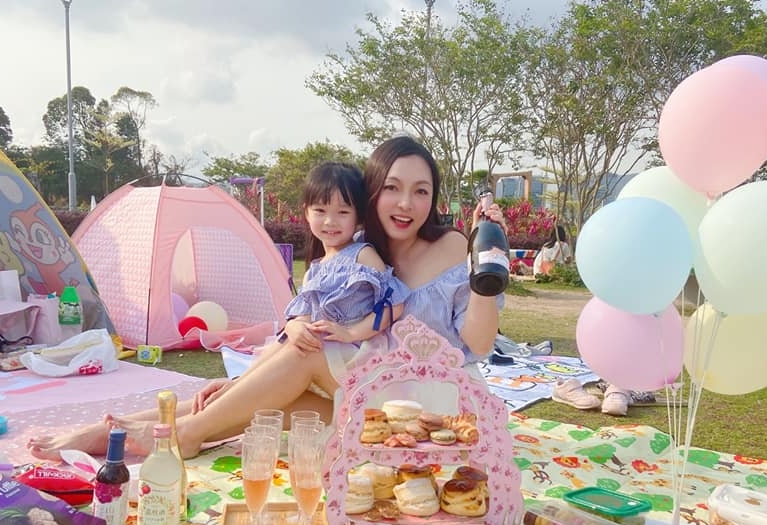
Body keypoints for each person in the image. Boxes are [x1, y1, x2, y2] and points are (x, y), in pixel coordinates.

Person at [28, 136, 501, 460]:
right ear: (372, 194)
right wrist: (247, 375)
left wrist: (486, 271)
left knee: (308, 351)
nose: (406, 204)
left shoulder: (454, 246)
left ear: (434, 197)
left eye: (420, 191)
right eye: (393, 188)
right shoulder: (361, 255)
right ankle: (112, 431)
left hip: (434, 398)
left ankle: (185, 436)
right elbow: (314, 326)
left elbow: (477, 346)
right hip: (370, 397)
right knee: (265, 408)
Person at [249, 161, 408, 374]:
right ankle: (235, 383)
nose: (330, 221)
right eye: (320, 211)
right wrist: (293, 326)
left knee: (292, 356)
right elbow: (304, 319)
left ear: (358, 217)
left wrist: (351, 333)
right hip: (322, 349)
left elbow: (394, 305)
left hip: (358, 354)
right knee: (285, 345)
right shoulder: (314, 271)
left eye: (342, 212)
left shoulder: (362, 255)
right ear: (306, 213)